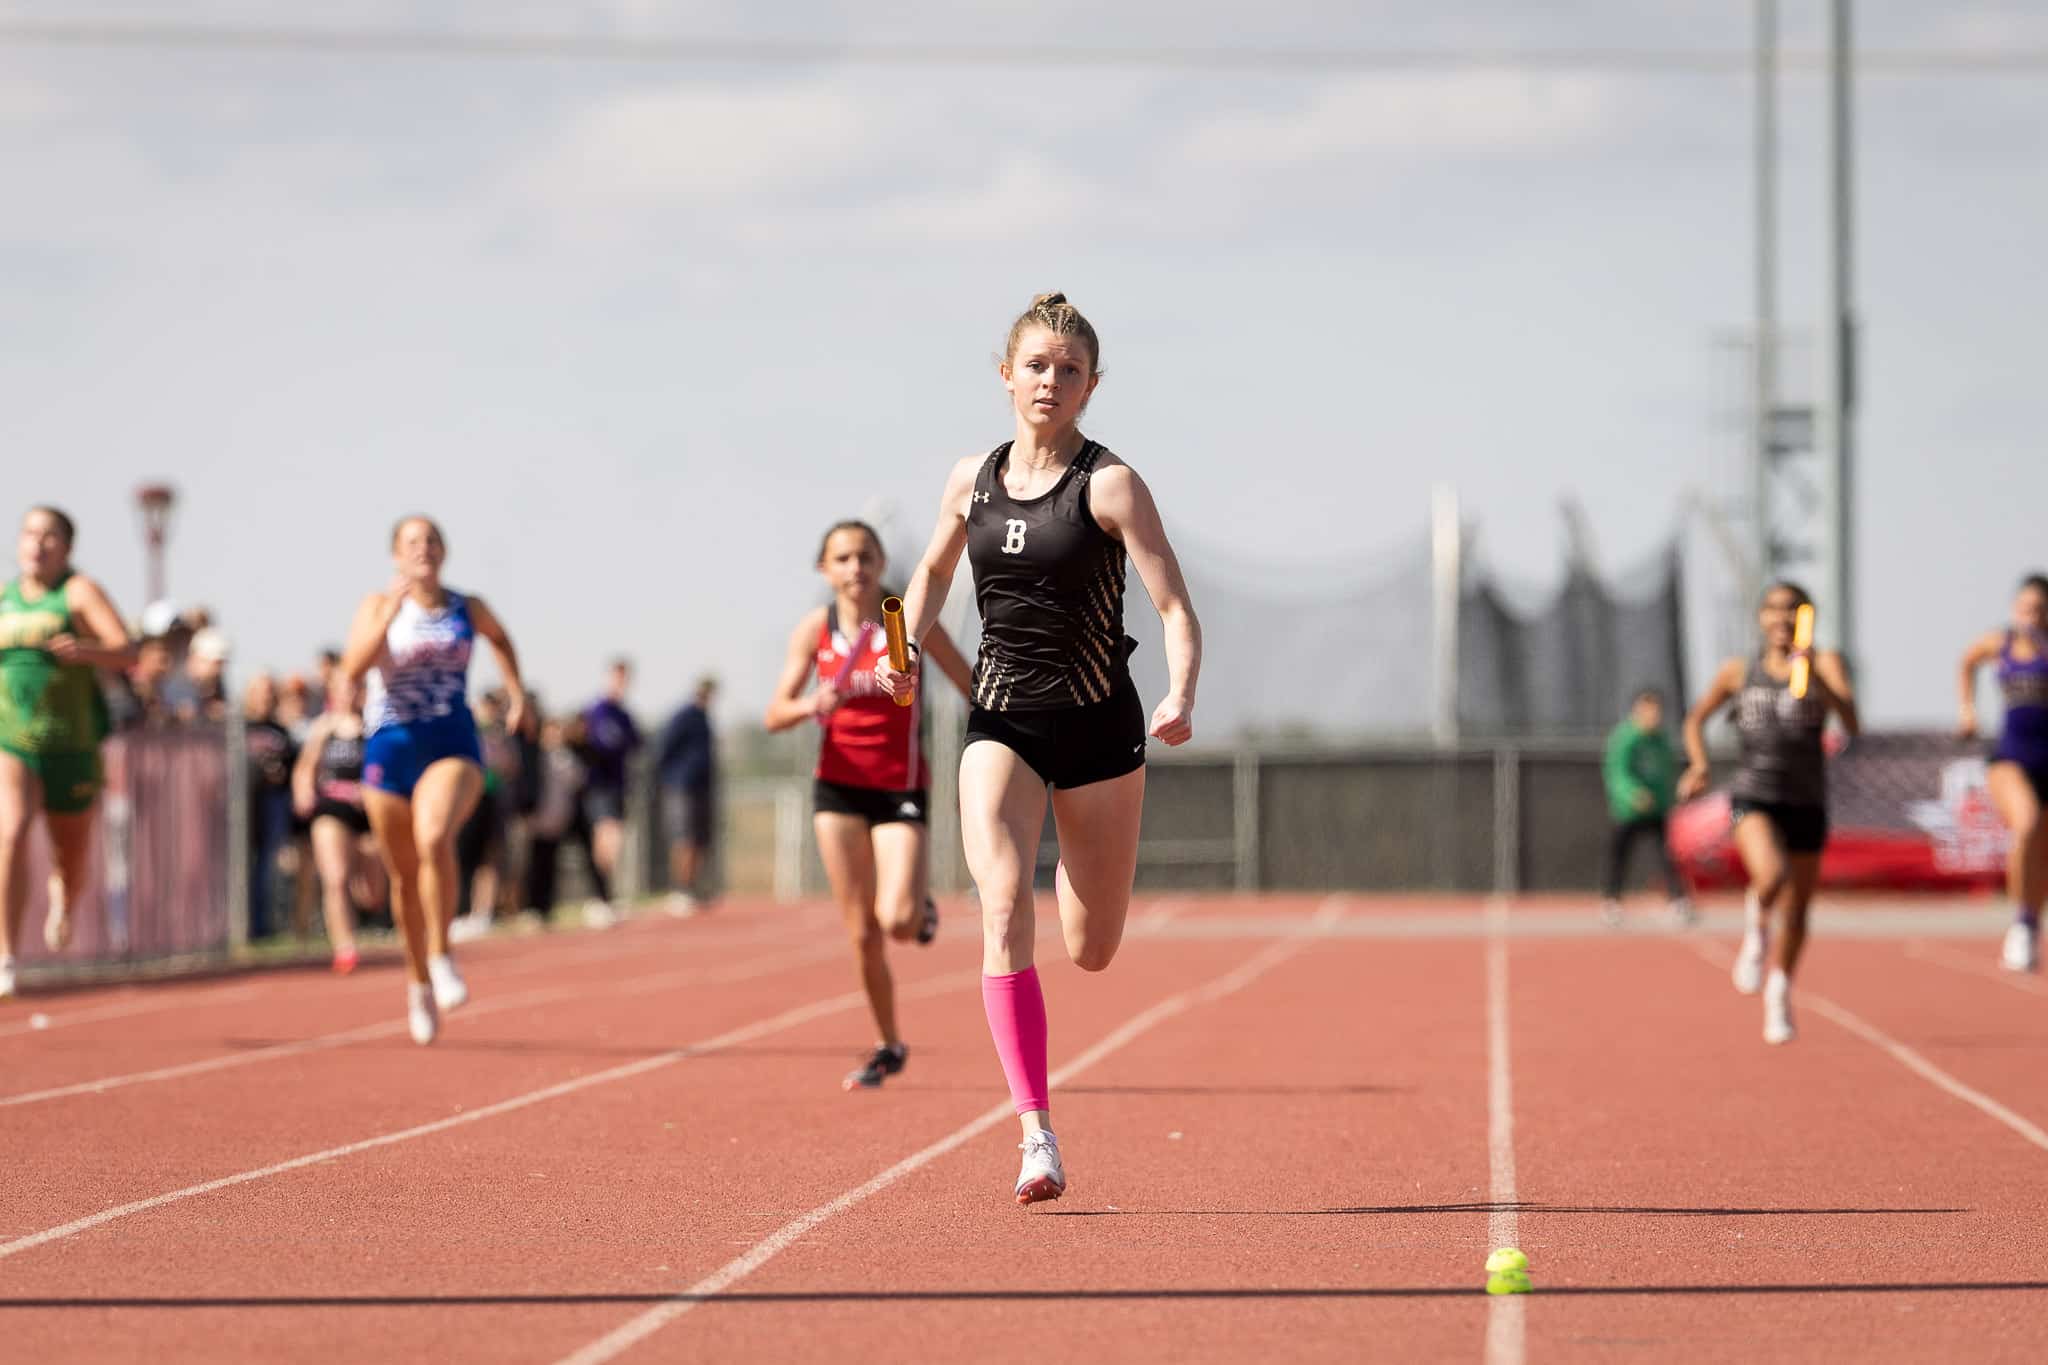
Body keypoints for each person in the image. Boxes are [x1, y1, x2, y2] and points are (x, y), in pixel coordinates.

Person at [877, 293, 1201, 1202]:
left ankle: (1069, 867)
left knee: (1093, 946)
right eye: (1036, 365)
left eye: (1068, 369)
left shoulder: (1110, 485)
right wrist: (896, 653)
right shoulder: (967, 479)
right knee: (999, 894)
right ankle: (1036, 1132)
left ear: (1091, 384)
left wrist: (1181, 689)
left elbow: (1173, 604)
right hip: (1003, 716)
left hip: (1101, 725)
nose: (1049, 381)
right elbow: (931, 572)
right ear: (1006, 374)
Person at [766, 521, 973, 1089]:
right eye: (843, 558)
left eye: (865, 556)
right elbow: (774, 712)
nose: (855, 567)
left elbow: (969, 683)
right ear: (825, 570)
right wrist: (813, 703)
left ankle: (919, 908)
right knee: (862, 932)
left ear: (882, 564)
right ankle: (888, 1043)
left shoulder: (903, 619)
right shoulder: (816, 629)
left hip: (898, 785)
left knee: (898, 921)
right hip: (837, 787)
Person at [342, 515, 527, 1045]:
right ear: (396, 556)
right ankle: (418, 982)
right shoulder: (376, 606)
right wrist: (389, 614)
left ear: (444, 551)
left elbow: (501, 638)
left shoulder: (467, 606)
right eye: (412, 543)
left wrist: (514, 691)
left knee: (434, 836)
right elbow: (352, 668)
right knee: (403, 876)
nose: (423, 549)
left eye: (431, 541)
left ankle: (442, 954)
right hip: (390, 745)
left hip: (450, 741)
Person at [1679, 581, 1859, 1045]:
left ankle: (1780, 991)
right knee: (1772, 876)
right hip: (1753, 795)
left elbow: (1853, 722)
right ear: (1761, 617)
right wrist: (1698, 764)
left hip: (1807, 801)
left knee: (1799, 911)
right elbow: (1695, 719)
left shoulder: (1824, 663)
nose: (1782, 619)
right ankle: (1757, 928)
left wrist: (1816, 678)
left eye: (1793, 610)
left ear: (1807, 618)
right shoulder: (1739, 671)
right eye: (1773, 610)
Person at [0, 506, 133, 998]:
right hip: (11, 738)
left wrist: (86, 650)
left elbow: (128, 650)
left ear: (67, 547)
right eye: (30, 533)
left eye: (49, 535)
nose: (37, 543)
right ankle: (6, 956)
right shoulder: (5, 598)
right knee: (9, 834)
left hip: (72, 742)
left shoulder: (78, 593)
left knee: (70, 854)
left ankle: (65, 896)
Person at [1956, 573, 2048, 972]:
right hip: (2011, 756)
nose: (2032, 615)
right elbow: (1967, 661)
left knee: (2042, 853)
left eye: (2040, 609)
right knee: (2025, 823)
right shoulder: (2001, 643)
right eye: (2026, 607)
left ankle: (2031, 921)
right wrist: (1967, 709)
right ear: (2015, 609)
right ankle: (2020, 925)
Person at [290, 671, 383, 972]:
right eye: (344, 689)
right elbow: (305, 768)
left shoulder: (375, 726)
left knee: (373, 894)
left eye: (355, 688)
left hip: (369, 812)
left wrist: (372, 791)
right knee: (335, 879)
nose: (350, 695)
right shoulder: (324, 727)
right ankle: (345, 946)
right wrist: (304, 793)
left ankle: (358, 891)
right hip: (331, 809)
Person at [1599, 687, 1692, 927]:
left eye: (1657, 711)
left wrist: (1669, 799)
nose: (1653, 716)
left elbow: (1665, 772)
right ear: (1637, 711)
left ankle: (1678, 901)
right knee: (1619, 856)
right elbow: (1616, 772)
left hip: (1657, 810)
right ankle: (1612, 901)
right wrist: (1632, 794)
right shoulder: (1624, 738)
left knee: (1667, 856)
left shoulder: (1660, 739)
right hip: (1627, 811)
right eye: (1649, 711)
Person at [577, 659, 640, 926]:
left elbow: (637, 744)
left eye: (625, 680)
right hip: (597, 787)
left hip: (618, 786)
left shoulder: (624, 715)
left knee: (613, 843)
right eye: (617, 678)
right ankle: (598, 898)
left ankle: (605, 897)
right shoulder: (594, 711)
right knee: (607, 839)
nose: (621, 684)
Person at [656, 676, 719, 914]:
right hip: (682, 786)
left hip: (701, 787)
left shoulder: (704, 718)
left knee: (699, 840)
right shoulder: (685, 715)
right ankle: (680, 890)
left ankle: (691, 888)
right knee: (685, 838)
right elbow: (664, 747)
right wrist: (671, 777)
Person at [243, 673, 298, 942]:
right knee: (243, 865)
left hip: (272, 804)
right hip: (242, 807)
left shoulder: (281, 731)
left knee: (268, 867)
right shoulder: (239, 727)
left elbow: (291, 766)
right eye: (260, 692)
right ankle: (244, 926)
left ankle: (264, 926)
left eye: (269, 692)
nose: (265, 698)